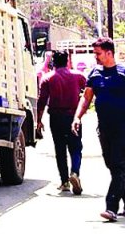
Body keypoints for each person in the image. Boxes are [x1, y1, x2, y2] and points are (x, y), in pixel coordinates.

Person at [72, 37, 125, 221]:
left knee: (118, 166)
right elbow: (86, 98)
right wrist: (77, 117)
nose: (95, 57)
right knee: (112, 165)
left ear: (109, 53)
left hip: (122, 128)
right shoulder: (94, 73)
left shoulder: (123, 73)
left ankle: (111, 208)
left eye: (98, 53)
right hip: (104, 129)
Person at [36, 49, 86, 194]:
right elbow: (87, 93)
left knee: (60, 149)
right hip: (74, 116)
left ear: (53, 62)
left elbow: (41, 101)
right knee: (76, 147)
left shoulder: (48, 78)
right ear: (67, 61)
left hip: (56, 118)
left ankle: (64, 182)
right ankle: (75, 173)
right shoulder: (79, 76)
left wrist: (39, 121)